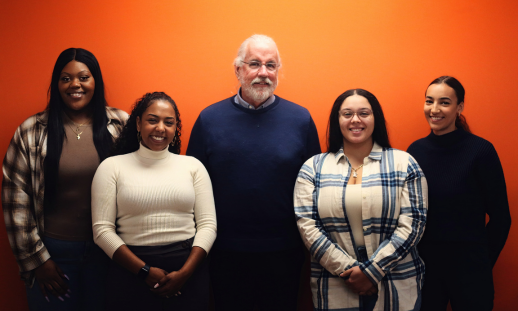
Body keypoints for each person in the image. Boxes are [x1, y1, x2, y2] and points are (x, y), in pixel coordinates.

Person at [186, 34, 321, 311]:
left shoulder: (301, 120)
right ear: (238, 69)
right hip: (224, 251)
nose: (263, 73)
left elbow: (315, 187)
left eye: (271, 65)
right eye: (255, 64)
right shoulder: (209, 119)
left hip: (284, 251)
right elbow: (192, 188)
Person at [2, 48, 128, 310]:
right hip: (52, 254)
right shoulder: (31, 131)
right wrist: (38, 261)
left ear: (96, 81)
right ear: (56, 85)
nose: (75, 85)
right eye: (65, 78)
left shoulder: (120, 124)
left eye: (83, 77)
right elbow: (16, 201)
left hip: (108, 252)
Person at [294, 89, 428, 311]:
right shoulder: (312, 168)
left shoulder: (405, 163)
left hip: (396, 280)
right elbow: (307, 225)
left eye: (364, 113)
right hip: (335, 282)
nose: (355, 120)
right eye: (347, 114)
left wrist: (372, 271)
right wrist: (350, 272)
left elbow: (414, 224)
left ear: (376, 118)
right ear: (337, 121)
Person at [91, 92, 216, 310]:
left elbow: (208, 225)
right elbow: (102, 231)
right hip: (130, 272)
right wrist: (144, 271)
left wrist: (185, 273)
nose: (160, 128)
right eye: (152, 120)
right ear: (138, 123)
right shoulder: (112, 167)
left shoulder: (193, 167)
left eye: (169, 123)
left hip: (188, 271)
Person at [407, 76, 511, 311]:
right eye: (429, 101)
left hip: (471, 270)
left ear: (459, 107)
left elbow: (501, 218)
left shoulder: (480, 150)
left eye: (444, 102)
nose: (434, 109)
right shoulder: (414, 151)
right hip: (425, 270)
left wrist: (482, 263)